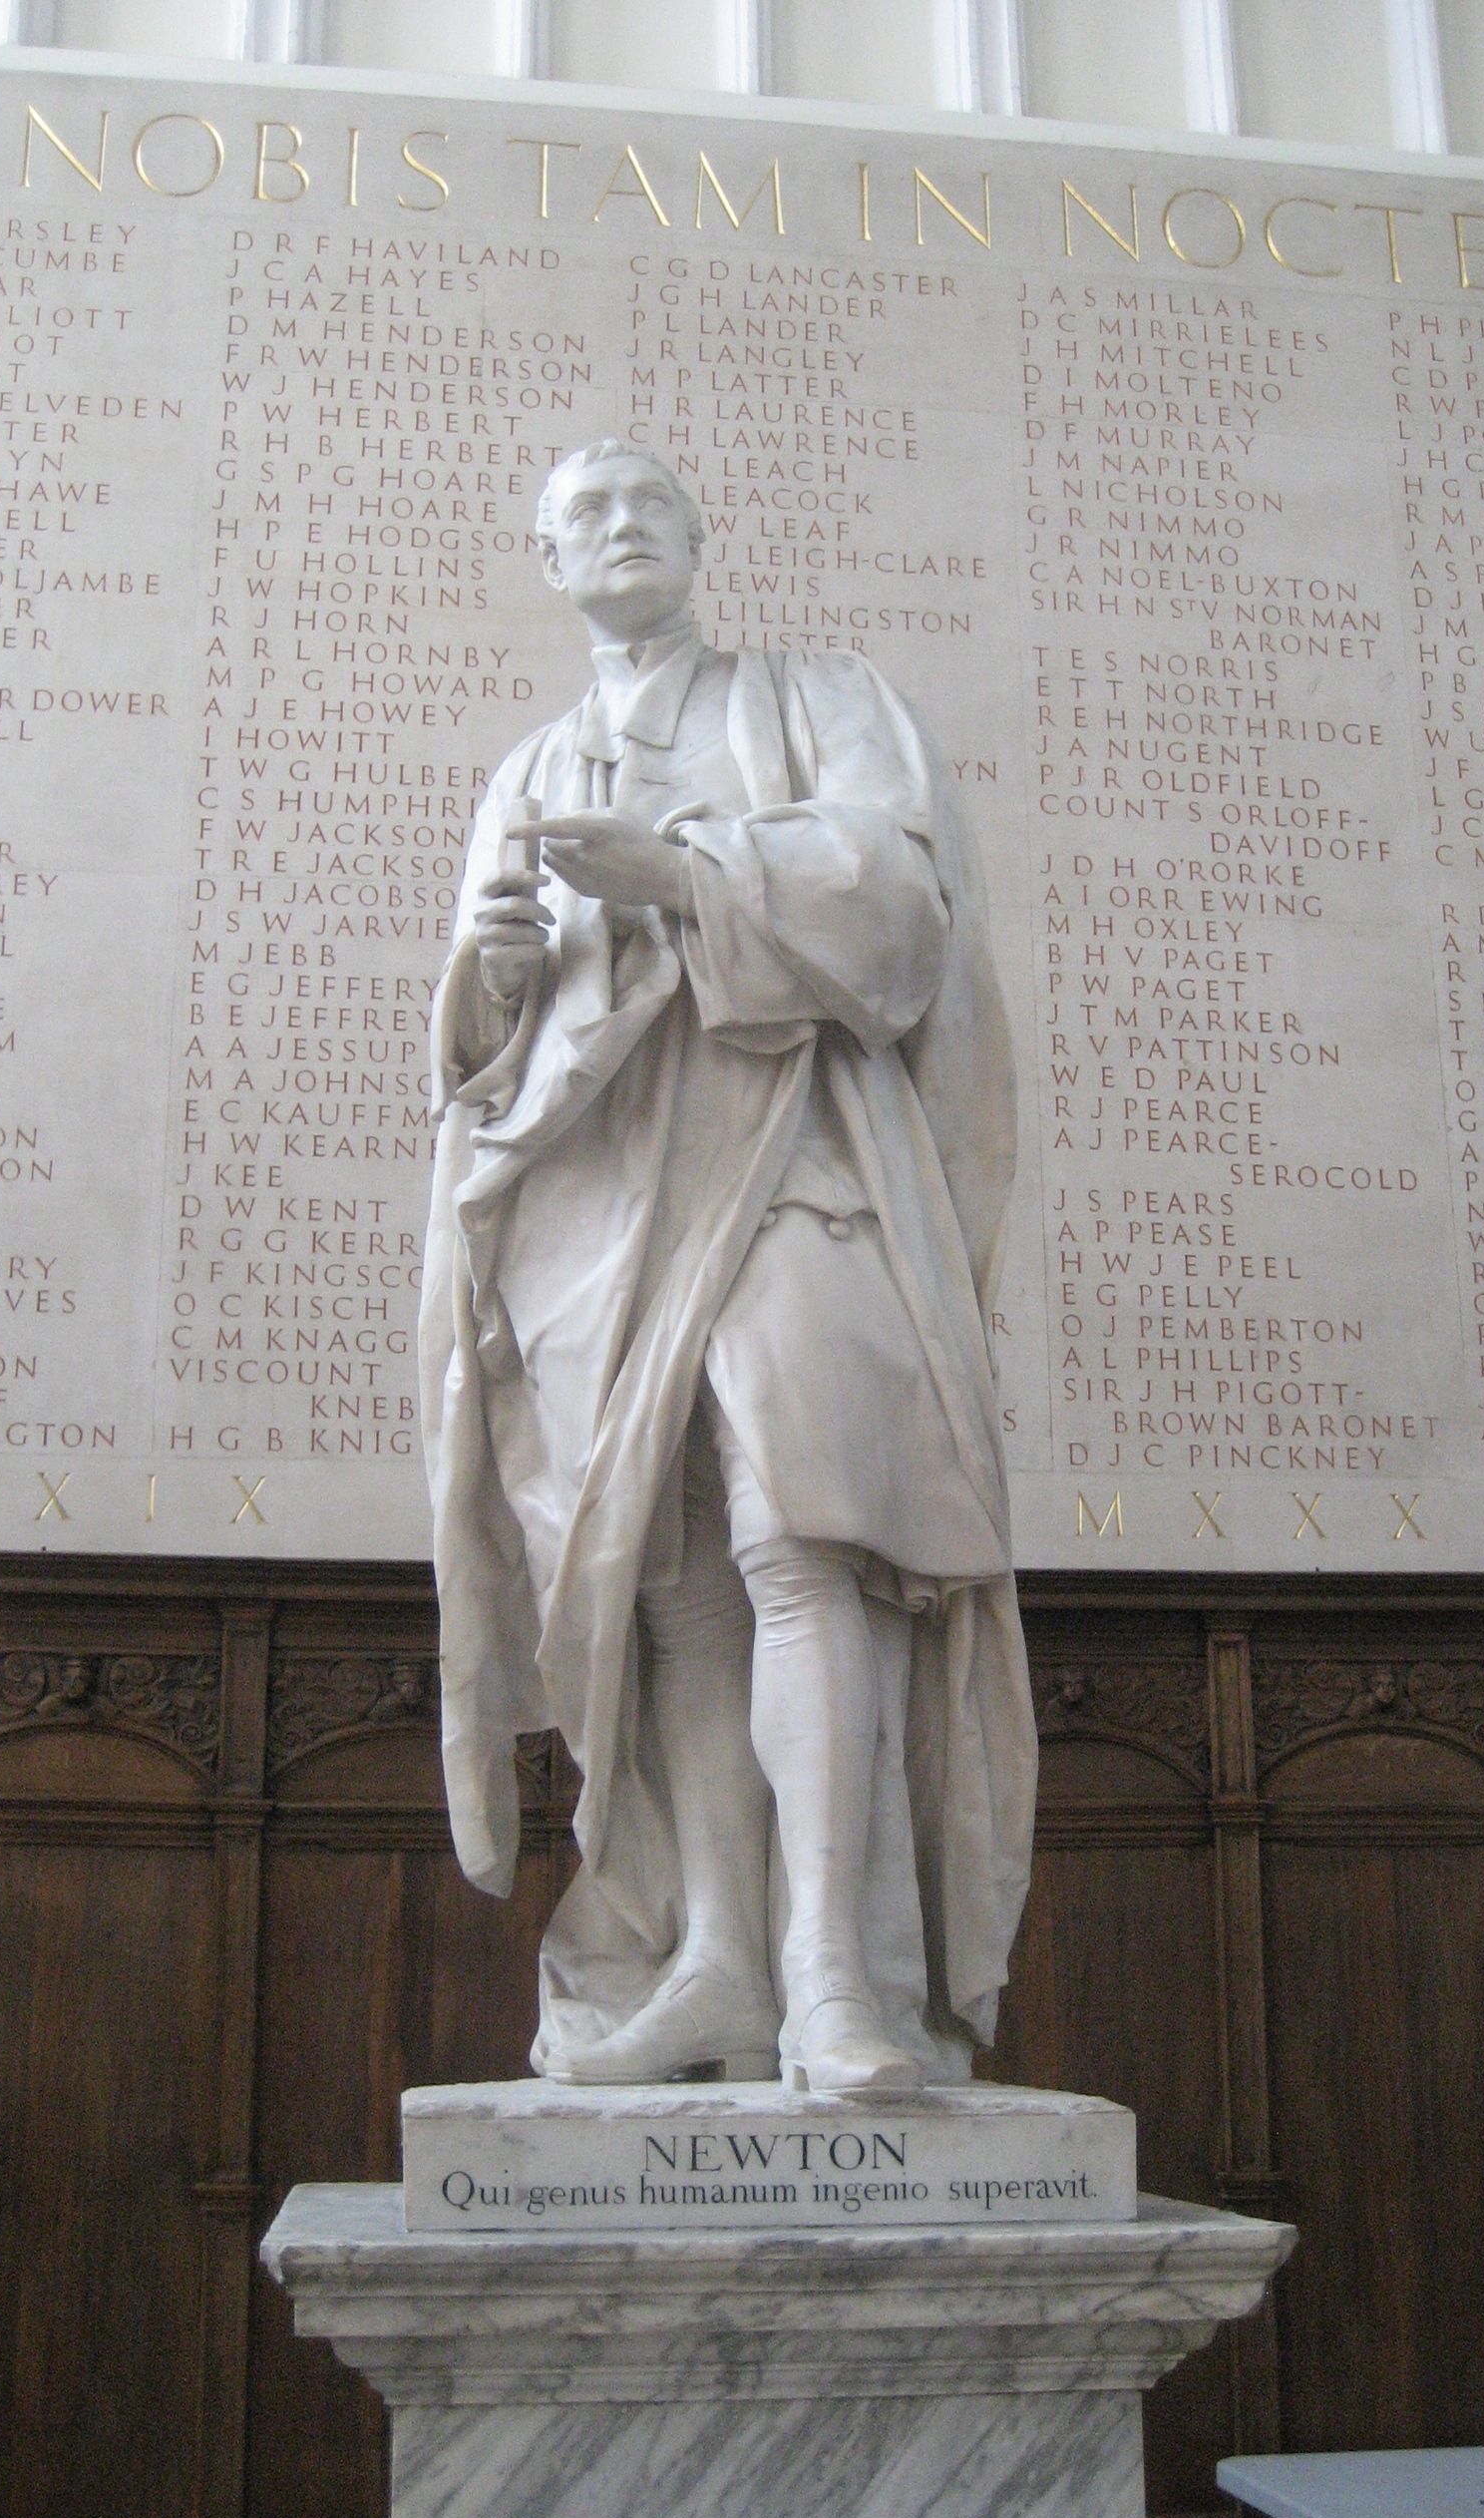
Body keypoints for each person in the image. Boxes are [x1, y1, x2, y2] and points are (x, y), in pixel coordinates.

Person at [421, 440, 1035, 2095]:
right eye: (585, 517)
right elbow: (479, 1066)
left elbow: (902, 911)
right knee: (671, 1573)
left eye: (650, 508)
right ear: (547, 561)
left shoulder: (819, 699)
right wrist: (493, 979)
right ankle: (717, 1960)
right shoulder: (533, 764)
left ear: (700, 539)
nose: (621, 531)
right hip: (602, 1211)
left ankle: (837, 1975)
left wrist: (683, 870)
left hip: (793, 1162)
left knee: (806, 1538)